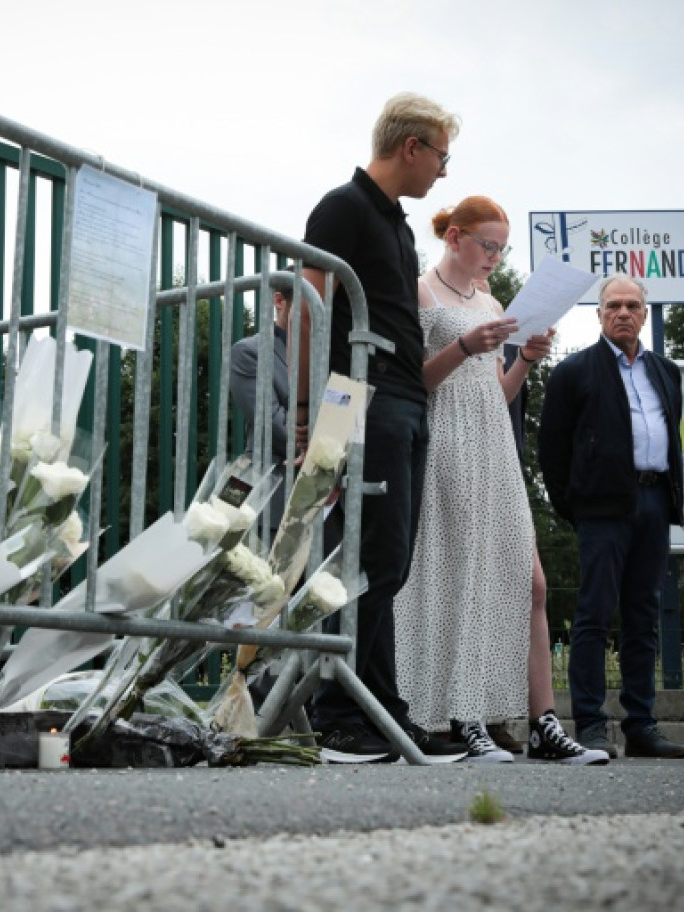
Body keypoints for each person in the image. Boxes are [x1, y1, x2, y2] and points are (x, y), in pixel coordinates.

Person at [395, 196, 608, 765]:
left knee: (530, 581)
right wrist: (464, 345)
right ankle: (464, 717)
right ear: (455, 237)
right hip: (445, 441)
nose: (494, 257)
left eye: (501, 248)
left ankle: (543, 723)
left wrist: (526, 359)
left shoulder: (489, 299)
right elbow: (409, 381)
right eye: (487, 245)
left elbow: (497, 391)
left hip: (493, 444)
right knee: (463, 578)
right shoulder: (421, 291)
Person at [295, 92, 466, 764]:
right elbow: (307, 307)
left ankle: (382, 711)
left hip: (399, 398)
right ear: (412, 148)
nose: (443, 175)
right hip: (351, 397)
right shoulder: (343, 206)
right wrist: (310, 412)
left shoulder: (396, 223)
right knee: (365, 557)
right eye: (441, 158)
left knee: (386, 560)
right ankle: (338, 716)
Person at [538, 274, 684, 760]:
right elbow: (552, 451)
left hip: (654, 502)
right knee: (594, 615)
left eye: (631, 305)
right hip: (601, 509)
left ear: (645, 313)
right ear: (599, 315)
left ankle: (641, 725)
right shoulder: (574, 372)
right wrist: (576, 505)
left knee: (643, 617)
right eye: (612, 306)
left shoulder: (666, 371)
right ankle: (589, 723)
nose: (622, 312)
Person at [228, 275, 293, 534]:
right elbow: (273, 423)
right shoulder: (249, 351)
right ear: (279, 300)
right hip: (265, 498)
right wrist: (328, 444)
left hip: (327, 506)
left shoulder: (334, 356)